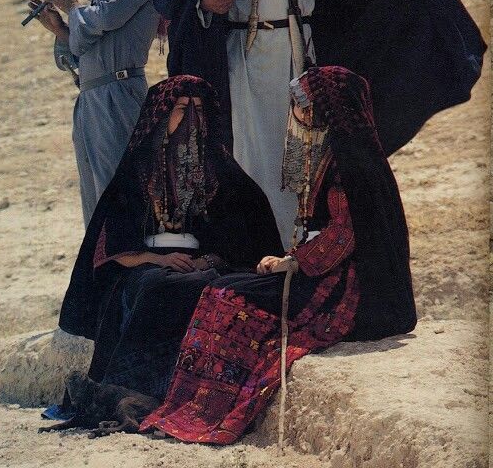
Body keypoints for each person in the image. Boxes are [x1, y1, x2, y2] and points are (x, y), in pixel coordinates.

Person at [152, 0, 485, 247]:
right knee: (260, 154)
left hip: (305, 58)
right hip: (252, 60)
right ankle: (261, 250)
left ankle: (302, 252)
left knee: (308, 157)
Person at [139, 65, 416, 443]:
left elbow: (346, 232)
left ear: (324, 109)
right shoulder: (336, 154)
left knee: (229, 298)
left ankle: (208, 412)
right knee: (225, 286)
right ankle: (191, 407)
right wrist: (292, 257)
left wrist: (296, 261)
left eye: (303, 104)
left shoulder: (351, 162)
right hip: (324, 270)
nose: (297, 112)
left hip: (347, 290)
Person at [57, 75, 284, 402]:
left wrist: (207, 261)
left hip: (208, 268)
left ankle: (142, 392)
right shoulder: (138, 171)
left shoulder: (220, 172)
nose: (191, 116)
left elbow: (247, 236)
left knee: (191, 288)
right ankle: (124, 389)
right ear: (162, 115)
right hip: (145, 267)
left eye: (198, 108)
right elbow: (114, 245)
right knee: (153, 286)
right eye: (181, 108)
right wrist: (158, 259)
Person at [28, 0, 169, 227]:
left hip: (118, 94)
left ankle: (132, 265)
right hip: (91, 98)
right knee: (94, 194)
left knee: (119, 189)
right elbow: (83, 51)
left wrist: (74, 6)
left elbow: (107, 18)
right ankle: (104, 270)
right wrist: (60, 29)